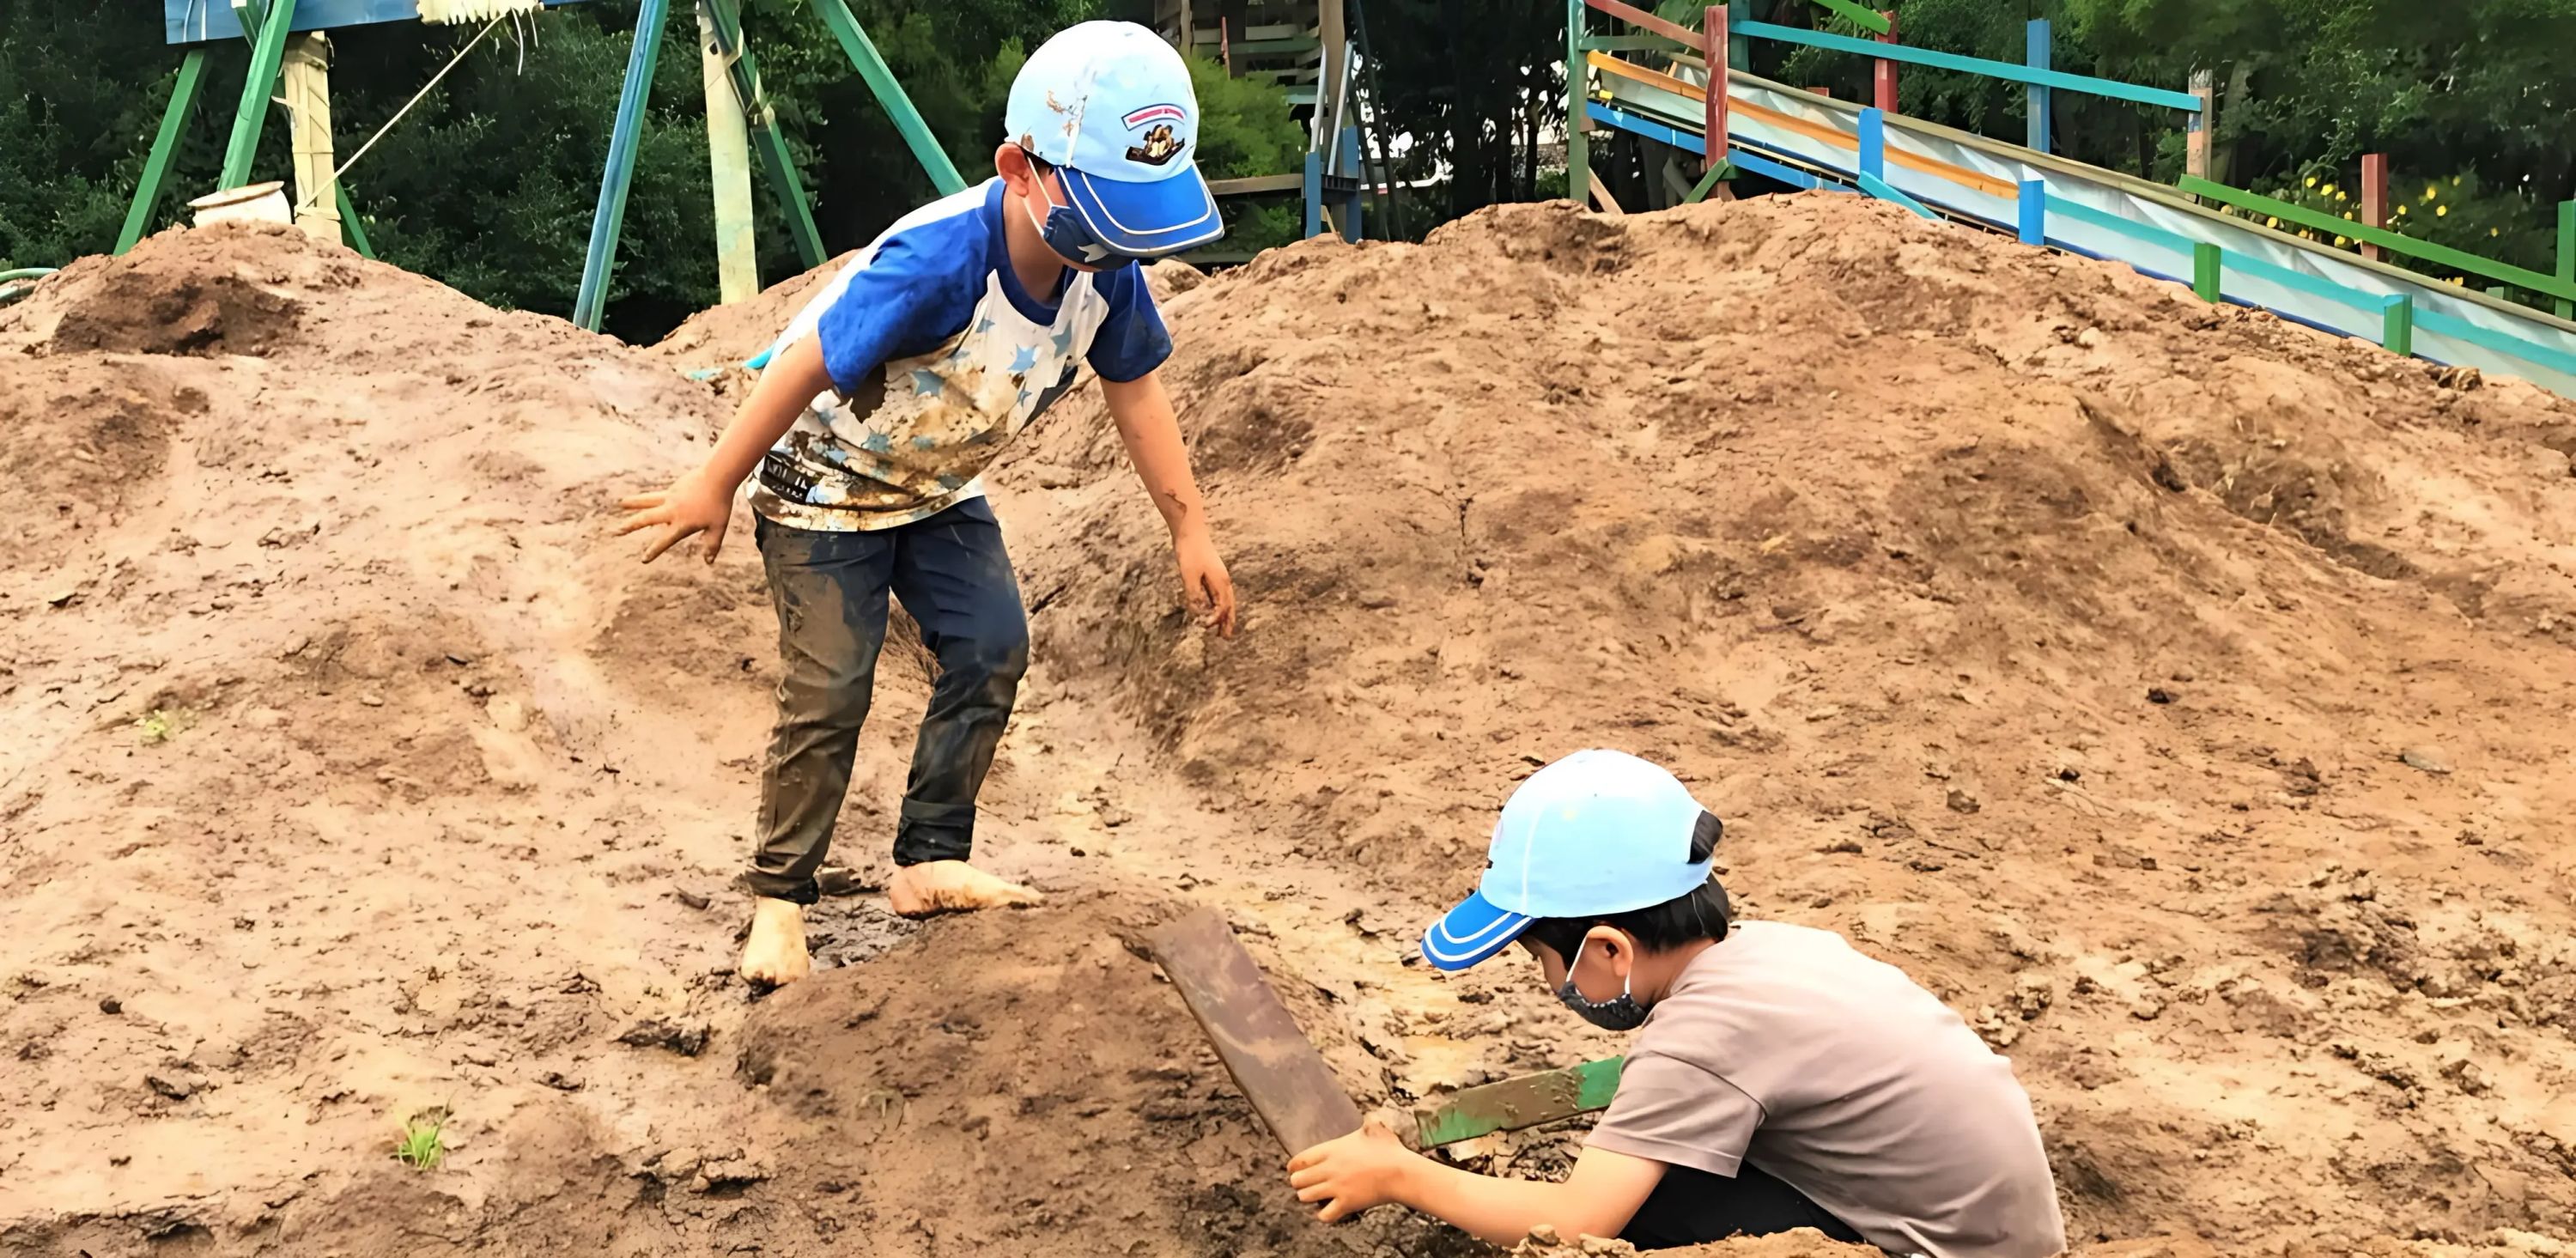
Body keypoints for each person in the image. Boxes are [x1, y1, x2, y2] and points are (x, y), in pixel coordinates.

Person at [617, 21, 1239, 986]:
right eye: (1102, 218)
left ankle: (929, 856)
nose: (1115, 247)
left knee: (993, 645)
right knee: (832, 687)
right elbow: (803, 362)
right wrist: (717, 480)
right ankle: (781, 899)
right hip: (824, 482)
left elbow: (1138, 393)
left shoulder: (1107, 273)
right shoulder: (939, 261)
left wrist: (1189, 528)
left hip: (936, 487)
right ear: (1019, 170)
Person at [1287, 750, 2067, 1258]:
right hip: (1994, 1228)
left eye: (1544, 959)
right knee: (1662, 1178)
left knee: (1641, 1217)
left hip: (1949, 1249)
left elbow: (1578, 1221)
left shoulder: (1699, 1041)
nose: (1549, 984)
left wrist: (1399, 1176)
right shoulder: (1768, 950)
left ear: (1609, 949)